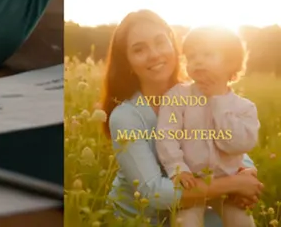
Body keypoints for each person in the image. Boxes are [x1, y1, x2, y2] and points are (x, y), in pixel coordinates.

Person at [100, 11, 263, 225]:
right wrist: (234, 184)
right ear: (127, 62)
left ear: (173, 45)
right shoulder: (126, 117)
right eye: (139, 49)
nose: (154, 54)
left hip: (196, 202)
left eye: (160, 42)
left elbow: (226, 144)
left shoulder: (202, 91)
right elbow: (154, 192)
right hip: (142, 218)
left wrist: (247, 172)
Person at [155, 26, 259, 227]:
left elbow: (237, 145)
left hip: (230, 186)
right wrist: (177, 168)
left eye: (208, 54)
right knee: (185, 222)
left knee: (242, 222)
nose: (198, 61)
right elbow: (166, 135)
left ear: (231, 63)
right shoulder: (177, 96)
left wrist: (218, 101)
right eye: (191, 56)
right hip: (192, 182)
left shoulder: (244, 108)